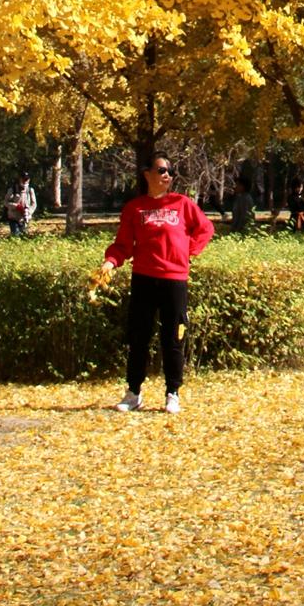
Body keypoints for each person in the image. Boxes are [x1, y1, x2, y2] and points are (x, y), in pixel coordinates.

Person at [93, 155, 215, 414]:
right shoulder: (135, 208)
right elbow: (123, 245)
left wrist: (187, 252)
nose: (167, 175)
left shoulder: (182, 204)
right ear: (147, 174)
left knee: (173, 338)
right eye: (161, 170)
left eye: (170, 171)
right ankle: (133, 393)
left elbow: (205, 228)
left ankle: (173, 392)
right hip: (144, 279)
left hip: (174, 280)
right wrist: (110, 263)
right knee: (139, 337)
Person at [4, 171, 37, 238]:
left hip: (25, 219)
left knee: (24, 237)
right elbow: (5, 202)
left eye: (27, 179)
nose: (25, 181)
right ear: (19, 179)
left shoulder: (30, 190)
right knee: (15, 236)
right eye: (23, 179)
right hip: (13, 218)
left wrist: (28, 211)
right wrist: (16, 206)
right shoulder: (12, 190)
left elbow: (34, 204)